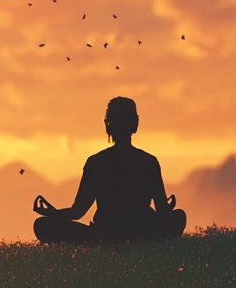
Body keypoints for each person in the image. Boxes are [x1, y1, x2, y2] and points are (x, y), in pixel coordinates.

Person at [32, 96, 186, 244]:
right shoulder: (148, 161)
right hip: (142, 233)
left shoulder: (95, 162)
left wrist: (54, 214)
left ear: (107, 125)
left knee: (42, 225)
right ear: (135, 125)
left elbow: (78, 211)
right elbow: (162, 211)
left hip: (104, 236)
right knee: (179, 216)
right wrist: (166, 209)